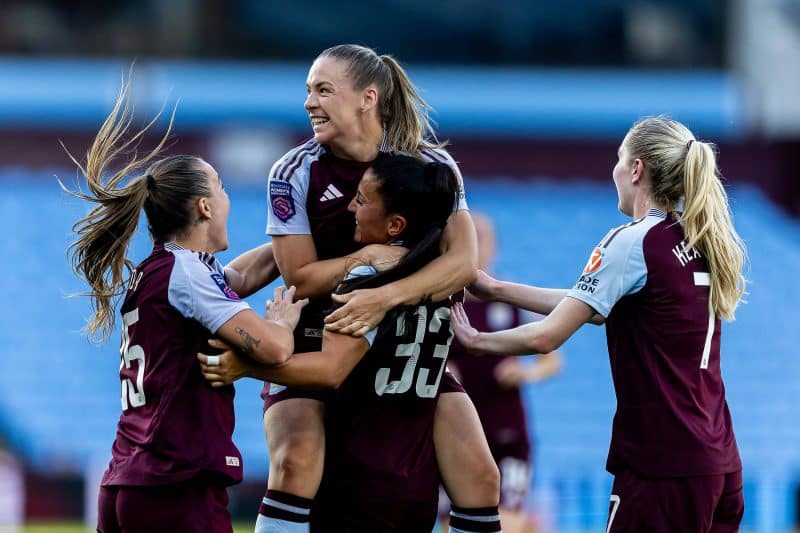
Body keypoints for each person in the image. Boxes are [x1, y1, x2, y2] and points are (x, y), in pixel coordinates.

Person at [204, 43, 499, 533]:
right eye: (307, 91)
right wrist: (364, 259)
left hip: (406, 343)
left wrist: (383, 296)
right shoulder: (293, 172)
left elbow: (463, 262)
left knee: (481, 477)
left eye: (323, 90)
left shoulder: (430, 167)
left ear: (367, 97)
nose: (308, 103)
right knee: (295, 461)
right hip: (321, 337)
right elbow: (300, 277)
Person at [451, 116, 746, 532]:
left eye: (618, 159)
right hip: (719, 460)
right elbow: (585, 301)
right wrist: (496, 289)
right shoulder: (699, 238)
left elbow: (547, 335)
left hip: (662, 465)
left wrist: (476, 341)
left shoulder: (633, 241)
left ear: (637, 170)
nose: (615, 170)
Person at [62, 82, 307, 533]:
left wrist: (299, 238)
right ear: (205, 206)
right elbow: (273, 349)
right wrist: (282, 323)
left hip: (127, 482)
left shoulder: (162, 270)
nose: (229, 196)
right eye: (222, 185)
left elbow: (238, 277)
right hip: (175, 487)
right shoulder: (188, 275)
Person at [444, 212, 562, 533]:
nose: (477, 245)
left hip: (507, 430)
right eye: (472, 237)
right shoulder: (444, 303)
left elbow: (551, 359)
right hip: (455, 432)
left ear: (495, 246)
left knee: (508, 518)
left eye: (483, 238)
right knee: (453, 518)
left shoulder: (508, 303)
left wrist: (525, 373)